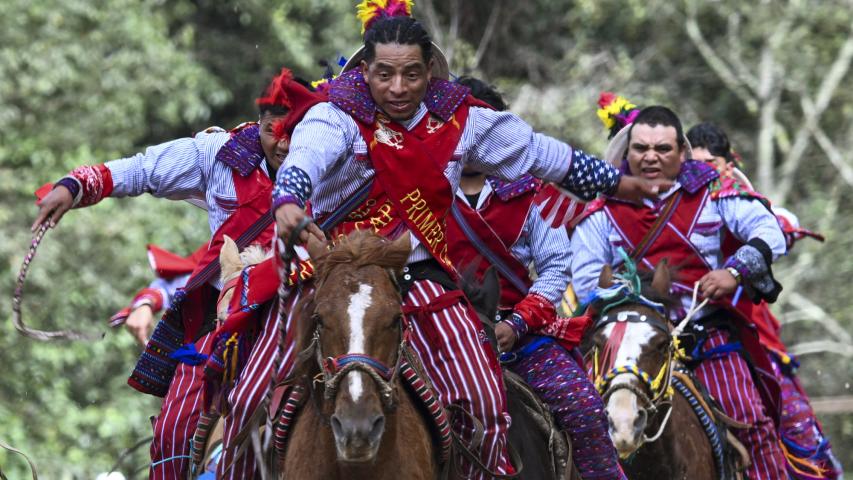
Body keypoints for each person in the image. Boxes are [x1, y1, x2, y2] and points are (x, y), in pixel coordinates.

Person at [272, 2, 660, 476]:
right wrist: (289, 197)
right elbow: (305, 159)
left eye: (412, 75)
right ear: (365, 71)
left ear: (430, 71)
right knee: (254, 391)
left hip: (423, 280)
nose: (398, 88)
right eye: (385, 75)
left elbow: (539, 153)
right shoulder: (334, 117)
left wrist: (616, 184)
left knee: (483, 399)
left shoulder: (460, 122)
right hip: (340, 277)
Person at [33, 68, 324, 480]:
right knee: (172, 432)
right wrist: (76, 185)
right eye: (272, 129)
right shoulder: (219, 154)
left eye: (295, 130)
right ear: (257, 122)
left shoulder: (335, 154)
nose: (284, 143)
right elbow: (143, 169)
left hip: (309, 317)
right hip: (225, 325)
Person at [571, 105, 790, 479]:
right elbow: (588, 281)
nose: (651, 157)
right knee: (576, 426)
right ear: (628, 152)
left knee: (751, 423)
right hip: (627, 340)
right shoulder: (602, 207)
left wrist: (734, 272)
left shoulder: (715, 192)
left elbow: (770, 232)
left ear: (682, 153)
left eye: (663, 148)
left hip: (704, 335)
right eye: (641, 148)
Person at [447, 76, 625, 479]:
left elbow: (556, 264)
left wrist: (518, 322)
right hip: (440, 334)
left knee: (584, 408)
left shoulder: (529, 192)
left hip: (521, 336)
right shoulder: (423, 190)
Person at [688, 122, 842, 480]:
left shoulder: (736, 201)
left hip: (746, 333)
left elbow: (781, 225)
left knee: (793, 423)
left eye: (710, 163)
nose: (702, 172)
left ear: (728, 164)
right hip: (680, 327)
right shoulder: (679, 207)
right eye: (693, 165)